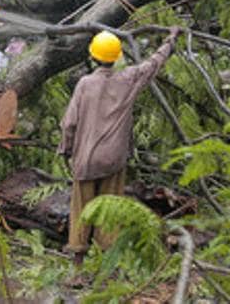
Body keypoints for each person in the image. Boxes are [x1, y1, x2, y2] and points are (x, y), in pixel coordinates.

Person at [58, 27, 180, 265]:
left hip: (86, 159)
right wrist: (170, 41)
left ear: (93, 57)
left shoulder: (84, 84)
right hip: (114, 159)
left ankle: (77, 263)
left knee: (82, 209)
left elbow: (69, 122)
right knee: (110, 209)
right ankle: (108, 264)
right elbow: (153, 64)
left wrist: (66, 149)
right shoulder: (128, 79)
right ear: (116, 58)